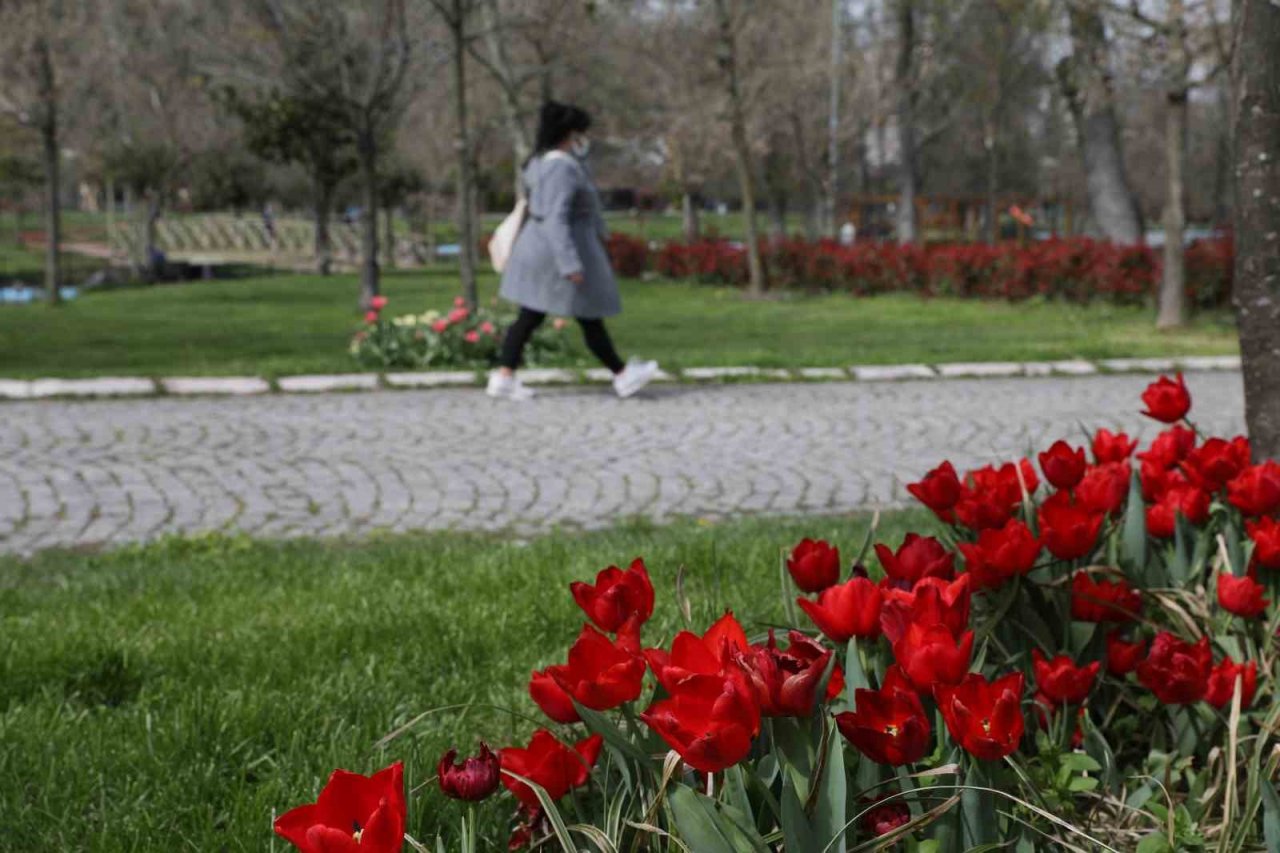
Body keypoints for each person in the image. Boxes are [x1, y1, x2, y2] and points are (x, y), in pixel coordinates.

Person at [487, 101, 658, 401]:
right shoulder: (561, 168)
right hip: (556, 254)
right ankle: (622, 375)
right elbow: (557, 217)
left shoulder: (541, 162)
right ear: (570, 134)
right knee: (587, 313)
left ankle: (504, 376)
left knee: (531, 316)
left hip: (542, 249)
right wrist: (570, 264)